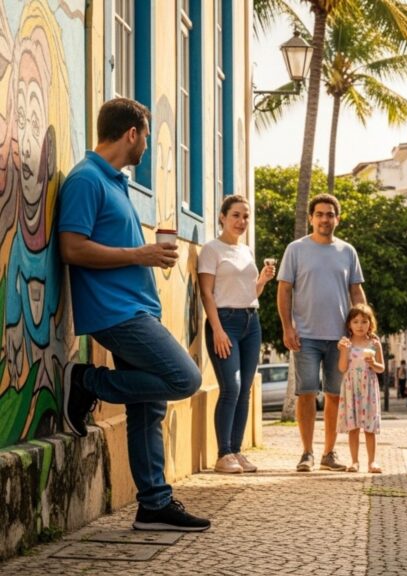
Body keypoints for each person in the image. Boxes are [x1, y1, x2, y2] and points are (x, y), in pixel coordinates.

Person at [58, 98, 208, 531]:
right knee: (186, 379)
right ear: (132, 133)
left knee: (149, 405)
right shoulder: (87, 180)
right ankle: (88, 381)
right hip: (117, 313)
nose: (147, 146)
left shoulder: (116, 183)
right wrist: (140, 253)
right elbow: (72, 248)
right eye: (146, 136)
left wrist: (146, 257)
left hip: (136, 307)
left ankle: (154, 504)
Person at [278, 193, 366, 472]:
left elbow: (356, 291)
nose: (325, 219)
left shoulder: (347, 251)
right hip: (305, 335)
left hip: (340, 338)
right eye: (320, 214)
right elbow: (284, 289)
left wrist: (364, 329)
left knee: (335, 395)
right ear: (311, 218)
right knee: (305, 393)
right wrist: (287, 327)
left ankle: (329, 453)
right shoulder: (296, 249)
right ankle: (307, 453)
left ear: (337, 219)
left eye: (330, 214)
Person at [198, 195, 275, 474]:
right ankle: (223, 454)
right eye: (236, 216)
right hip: (225, 322)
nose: (242, 222)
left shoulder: (247, 251)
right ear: (222, 217)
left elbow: (249, 292)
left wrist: (263, 281)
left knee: (245, 390)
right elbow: (206, 292)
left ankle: (237, 451)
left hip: (251, 321)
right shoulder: (211, 249)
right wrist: (217, 328)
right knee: (231, 387)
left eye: (246, 217)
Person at [336, 304, 384, 473]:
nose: (360, 325)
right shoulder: (346, 343)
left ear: (370, 324)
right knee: (353, 427)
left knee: (369, 427)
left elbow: (381, 368)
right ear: (349, 324)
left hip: (369, 387)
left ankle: (372, 462)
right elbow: (342, 368)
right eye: (355, 321)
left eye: (364, 321)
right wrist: (344, 351)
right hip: (351, 387)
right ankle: (354, 461)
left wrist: (374, 363)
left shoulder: (374, 343)